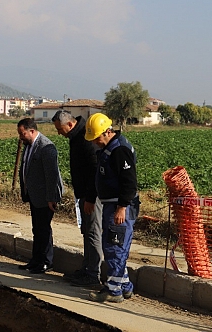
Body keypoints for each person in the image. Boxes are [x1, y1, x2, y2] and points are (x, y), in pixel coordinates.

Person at [84, 113, 139, 303]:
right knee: (115, 247)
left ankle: (113, 290)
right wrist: (91, 197)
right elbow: (97, 176)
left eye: (96, 138)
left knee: (115, 248)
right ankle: (124, 286)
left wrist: (122, 207)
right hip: (111, 204)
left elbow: (129, 182)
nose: (95, 142)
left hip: (120, 206)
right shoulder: (107, 149)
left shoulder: (119, 150)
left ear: (107, 132)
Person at [52, 111, 103, 288]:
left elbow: (93, 170)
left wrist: (89, 197)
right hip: (83, 195)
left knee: (93, 232)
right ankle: (86, 269)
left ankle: (93, 274)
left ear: (70, 124)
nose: (59, 133)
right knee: (87, 231)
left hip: (92, 197)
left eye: (60, 129)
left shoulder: (85, 138)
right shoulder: (76, 137)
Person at [17, 117, 63, 274]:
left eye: (22, 134)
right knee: (37, 228)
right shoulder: (29, 145)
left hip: (45, 197)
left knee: (43, 229)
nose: (20, 137)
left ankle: (46, 261)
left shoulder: (46, 147)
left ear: (32, 131)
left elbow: (52, 176)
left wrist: (52, 198)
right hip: (34, 195)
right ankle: (35, 260)